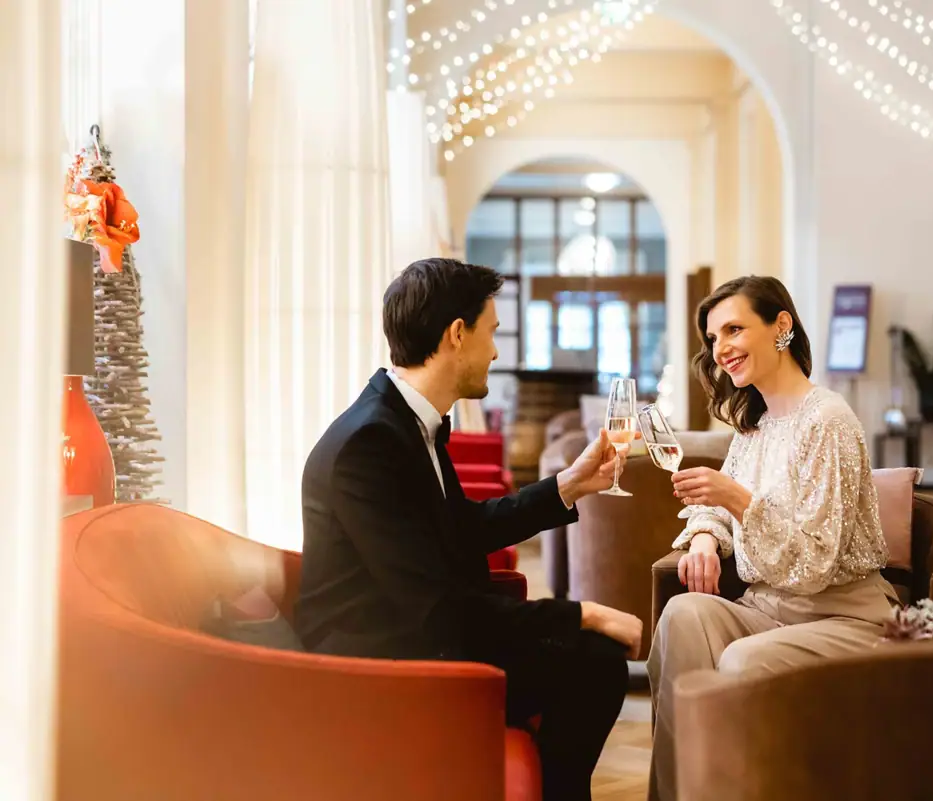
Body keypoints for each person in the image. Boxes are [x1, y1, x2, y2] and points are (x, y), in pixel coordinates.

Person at [296, 257, 643, 801]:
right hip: (373, 662)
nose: (497, 351)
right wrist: (583, 612)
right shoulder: (370, 444)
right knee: (593, 665)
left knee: (590, 662)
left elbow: (462, 528)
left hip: (412, 629)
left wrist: (569, 485)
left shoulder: (404, 423)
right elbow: (434, 608)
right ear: (457, 335)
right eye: (492, 333)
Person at [646, 276, 898, 801]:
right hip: (768, 608)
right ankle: (681, 793)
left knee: (743, 661)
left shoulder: (828, 421)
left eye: (734, 329)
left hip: (843, 616)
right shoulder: (754, 426)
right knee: (682, 617)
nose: (722, 350)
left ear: (781, 325)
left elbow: (816, 562)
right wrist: (703, 540)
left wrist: (735, 499)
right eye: (713, 339)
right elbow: (710, 510)